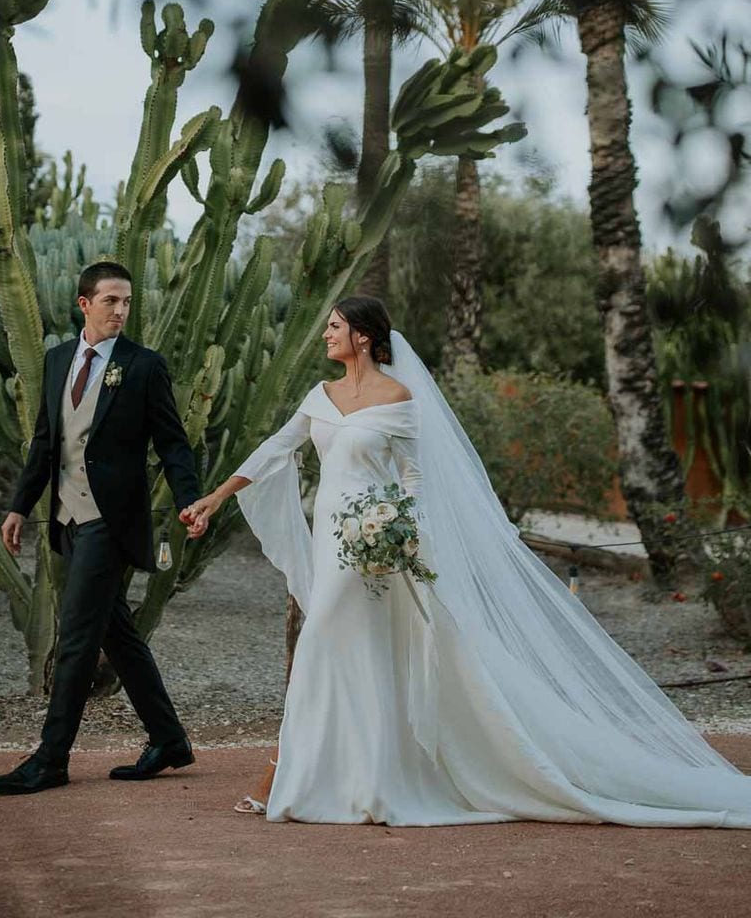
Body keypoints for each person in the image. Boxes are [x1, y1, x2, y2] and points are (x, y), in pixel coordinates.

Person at [185, 296, 751, 827]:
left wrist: (395, 529)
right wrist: (214, 498)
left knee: (325, 644)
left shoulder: (397, 399)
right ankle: (350, 774)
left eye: (335, 326)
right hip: (330, 541)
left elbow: (413, 477)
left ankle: (289, 773)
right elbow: (275, 449)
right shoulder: (321, 395)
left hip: (375, 545)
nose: (326, 334)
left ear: (361, 337)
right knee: (347, 651)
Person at [0, 261, 207, 796]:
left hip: (109, 521)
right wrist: (19, 505)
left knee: (77, 639)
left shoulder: (143, 366)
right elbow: (46, 442)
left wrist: (190, 500)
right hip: (66, 518)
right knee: (120, 636)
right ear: (84, 304)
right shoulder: (59, 359)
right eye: (110, 300)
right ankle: (169, 739)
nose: (121, 310)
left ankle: (51, 758)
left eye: (127, 301)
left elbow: (174, 443)